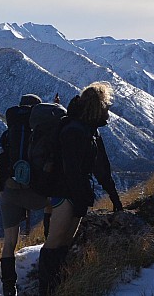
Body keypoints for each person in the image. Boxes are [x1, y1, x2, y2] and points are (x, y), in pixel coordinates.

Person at [38, 82, 123, 296]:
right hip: (64, 193)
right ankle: (47, 289)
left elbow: (101, 168)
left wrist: (114, 199)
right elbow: (73, 170)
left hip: (74, 193)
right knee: (56, 241)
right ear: (97, 106)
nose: (108, 110)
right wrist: (83, 198)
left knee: (64, 241)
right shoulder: (76, 131)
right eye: (105, 106)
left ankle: (58, 285)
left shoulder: (89, 131)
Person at [0, 94, 50, 296]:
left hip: (9, 191)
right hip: (35, 192)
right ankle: (49, 246)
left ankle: (9, 287)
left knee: (9, 243)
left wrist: (1, 188)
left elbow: (0, 165)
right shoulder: (41, 132)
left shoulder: (7, 135)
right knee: (52, 204)